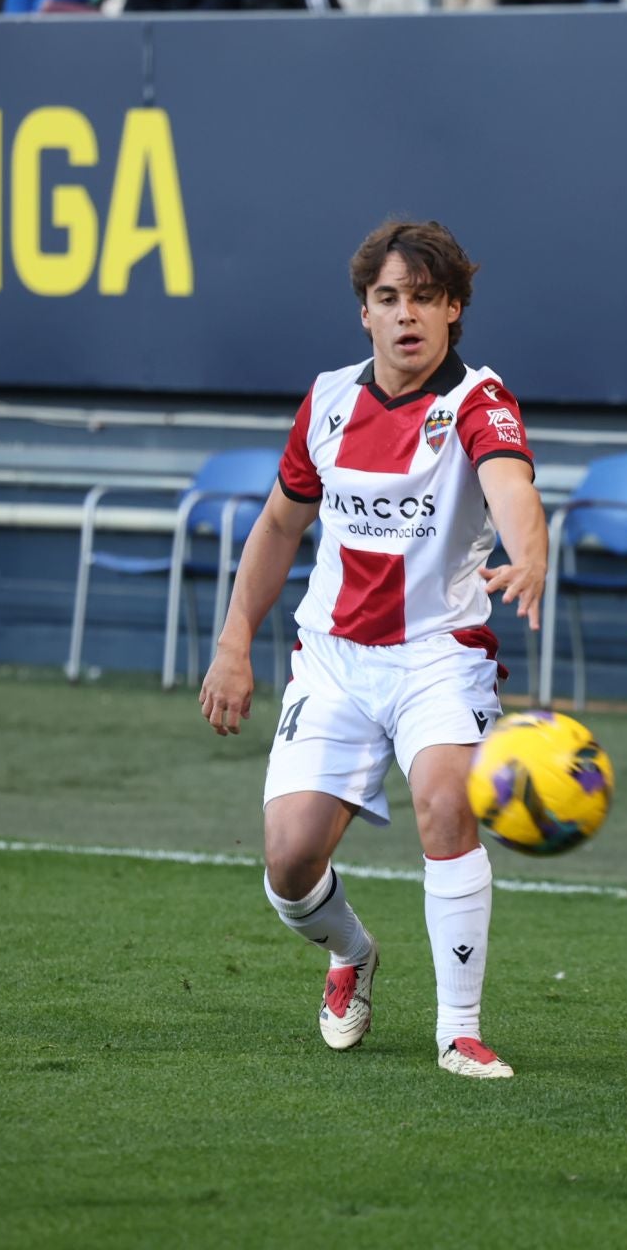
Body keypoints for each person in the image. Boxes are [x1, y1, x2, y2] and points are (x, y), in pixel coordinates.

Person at [198, 220, 547, 1080]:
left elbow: (512, 487)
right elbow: (280, 525)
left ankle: (458, 1030)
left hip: (439, 652)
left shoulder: (477, 400)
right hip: (335, 659)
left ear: (453, 307)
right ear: (364, 313)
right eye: (388, 299)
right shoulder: (327, 402)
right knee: (288, 865)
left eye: (425, 298)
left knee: (444, 799)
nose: (406, 317)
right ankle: (350, 953)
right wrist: (233, 644)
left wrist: (530, 551)